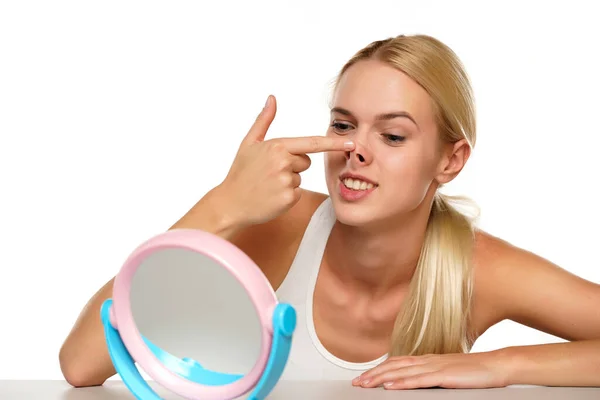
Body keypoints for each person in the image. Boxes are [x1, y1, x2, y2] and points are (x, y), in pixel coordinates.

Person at [58, 34, 600, 390]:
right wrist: (223, 204)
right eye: (343, 125)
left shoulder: (480, 270)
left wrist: (500, 365)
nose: (355, 151)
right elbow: (80, 365)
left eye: (391, 134)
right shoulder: (280, 226)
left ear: (450, 161)